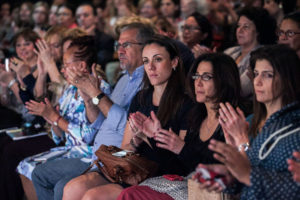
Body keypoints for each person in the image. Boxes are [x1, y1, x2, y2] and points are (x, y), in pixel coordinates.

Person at [31, 22, 155, 200]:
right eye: (117, 45)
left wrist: (94, 95)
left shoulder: (146, 80)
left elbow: (123, 123)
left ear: (146, 47)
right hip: (102, 156)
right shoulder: (122, 80)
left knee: (58, 183)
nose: (119, 51)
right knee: (39, 172)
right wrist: (89, 102)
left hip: (119, 158)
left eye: (126, 45)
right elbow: (101, 123)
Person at [63, 34, 193, 200]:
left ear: (174, 62)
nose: (151, 67)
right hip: (133, 171)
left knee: (92, 197)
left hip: (164, 178)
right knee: (72, 188)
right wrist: (134, 142)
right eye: (146, 61)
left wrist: (152, 137)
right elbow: (126, 148)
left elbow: (184, 164)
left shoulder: (186, 103)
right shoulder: (141, 98)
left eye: (158, 59)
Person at [117, 52, 245, 200]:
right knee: (130, 193)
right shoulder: (196, 116)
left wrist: (181, 148)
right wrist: (156, 136)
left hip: (210, 193)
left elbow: (224, 173)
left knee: (131, 195)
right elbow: (177, 168)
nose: (198, 83)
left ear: (224, 80)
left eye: (206, 77)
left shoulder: (233, 120)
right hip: (186, 185)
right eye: (196, 76)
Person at [198, 44, 300, 199]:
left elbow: (292, 189)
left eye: (267, 75)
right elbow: (251, 174)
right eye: (256, 74)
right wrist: (230, 176)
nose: (257, 81)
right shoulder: (257, 121)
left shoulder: (295, 130)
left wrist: (242, 143)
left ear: (287, 79)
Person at [224, 7, 277, 99]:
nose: (239, 30)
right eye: (238, 26)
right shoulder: (230, 51)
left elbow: (240, 90)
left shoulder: (262, 57)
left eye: (246, 27)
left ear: (258, 31)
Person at [75, 2, 115, 69]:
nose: (81, 19)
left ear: (96, 18)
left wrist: (87, 40)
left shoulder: (106, 39)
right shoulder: (72, 38)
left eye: (86, 15)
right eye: (78, 16)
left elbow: (99, 62)